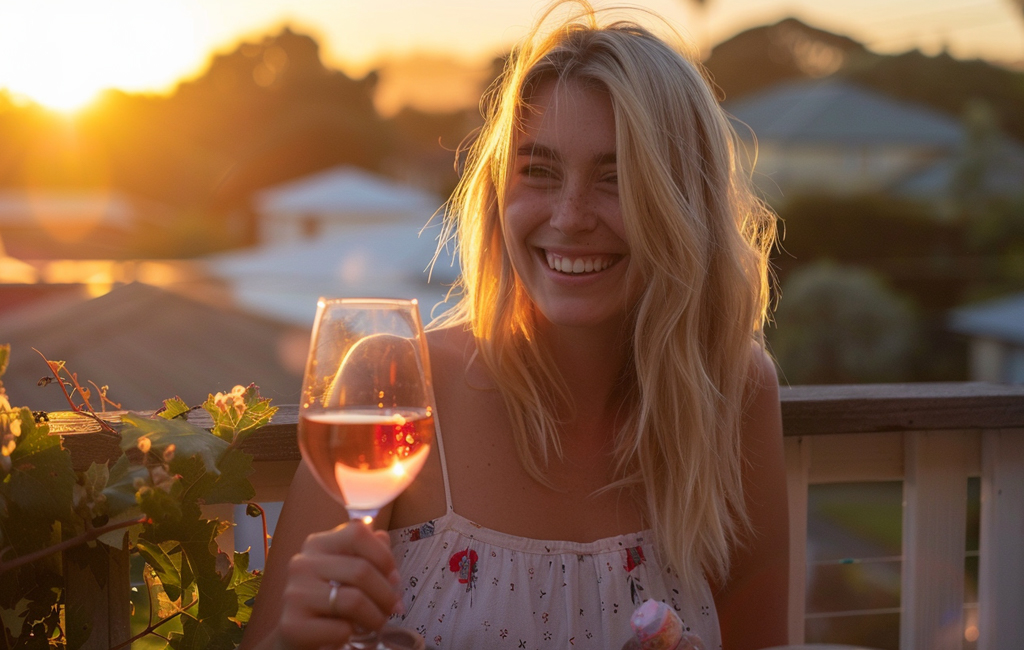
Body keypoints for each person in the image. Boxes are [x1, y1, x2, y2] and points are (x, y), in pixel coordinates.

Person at [240, 2, 788, 649]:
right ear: (499, 188)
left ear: (682, 199)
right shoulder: (397, 383)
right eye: (540, 171)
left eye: (618, 178)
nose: (571, 214)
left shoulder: (733, 392)